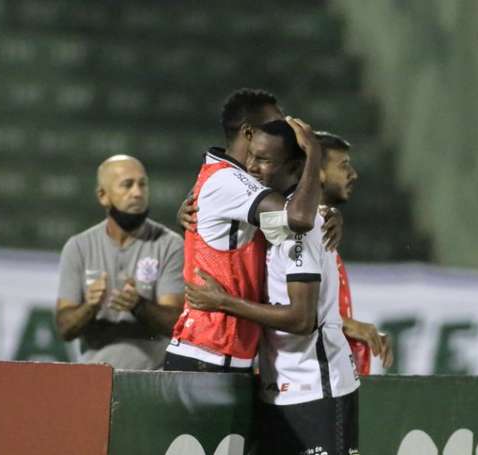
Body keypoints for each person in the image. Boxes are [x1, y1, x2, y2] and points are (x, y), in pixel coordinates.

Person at [186, 120, 360, 455]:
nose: (250, 167)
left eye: (264, 160)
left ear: (295, 167)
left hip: (317, 391)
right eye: (251, 156)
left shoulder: (302, 229)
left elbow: (300, 319)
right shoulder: (276, 217)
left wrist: (222, 301)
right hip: (280, 389)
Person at [165, 88, 330, 373]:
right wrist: (314, 153)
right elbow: (299, 217)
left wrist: (329, 213)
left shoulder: (232, 180)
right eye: (275, 122)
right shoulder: (229, 181)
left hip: (222, 354)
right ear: (249, 133)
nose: (286, 129)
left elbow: (298, 216)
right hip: (206, 353)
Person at [56, 155, 184, 369]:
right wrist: (90, 307)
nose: (137, 192)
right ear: (103, 196)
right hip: (93, 376)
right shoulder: (78, 247)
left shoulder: (169, 244)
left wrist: (138, 305)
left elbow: (175, 323)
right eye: (127, 185)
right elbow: (65, 328)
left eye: (143, 184)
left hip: (148, 379)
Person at [316, 131, 393, 375]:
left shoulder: (322, 224)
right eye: (343, 165)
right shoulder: (299, 229)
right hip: (309, 384)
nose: (353, 174)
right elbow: (289, 309)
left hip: (330, 378)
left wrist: (353, 330)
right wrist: (350, 326)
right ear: (318, 172)